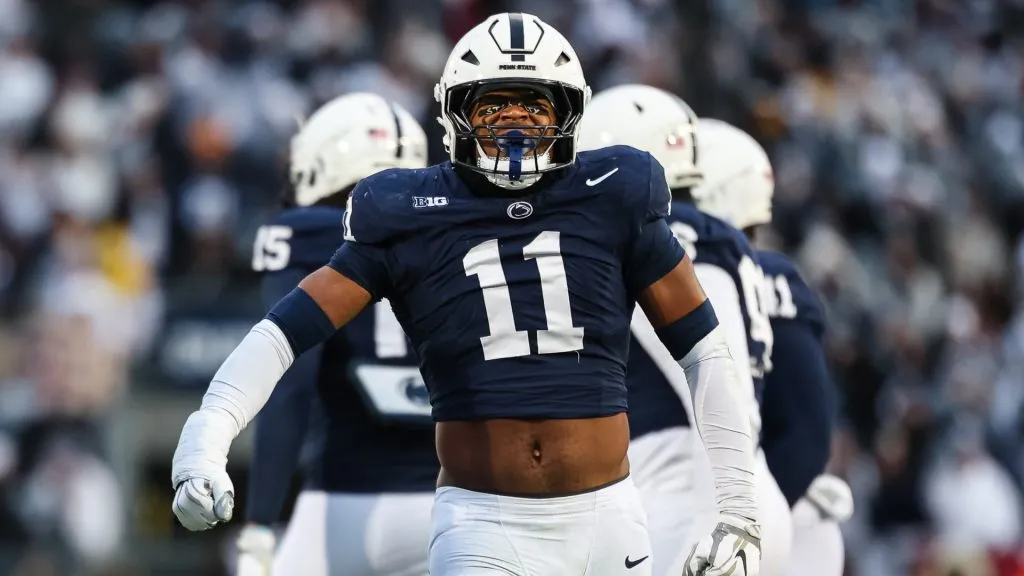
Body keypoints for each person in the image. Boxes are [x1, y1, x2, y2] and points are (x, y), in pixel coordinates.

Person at [169, 13, 761, 576]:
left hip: (608, 518)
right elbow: (284, 333)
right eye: (494, 103)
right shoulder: (409, 212)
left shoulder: (615, 194)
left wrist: (739, 509)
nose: (515, 123)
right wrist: (207, 431)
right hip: (483, 520)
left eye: (535, 104)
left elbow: (704, 353)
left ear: (569, 113)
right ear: (456, 115)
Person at [578, 84, 788, 576]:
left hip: (698, 492)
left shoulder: (666, 237)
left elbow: (714, 372)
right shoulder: (721, 234)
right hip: (742, 481)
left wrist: (728, 509)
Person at [235, 92, 437, 576]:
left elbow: (291, 384)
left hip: (344, 500)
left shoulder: (306, 234)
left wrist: (260, 522)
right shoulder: (450, 227)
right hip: (453, 499)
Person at [693, 118, 852, 576]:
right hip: (760, 502)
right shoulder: (757, 273)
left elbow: (807, 428)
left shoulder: (752, 276)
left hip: (763, 508)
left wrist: (749, 515)